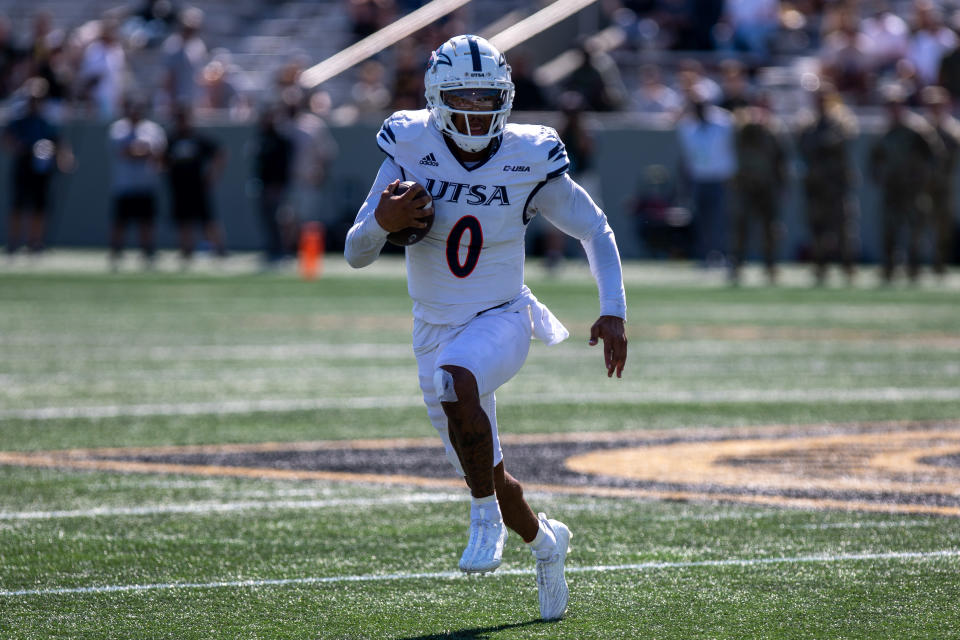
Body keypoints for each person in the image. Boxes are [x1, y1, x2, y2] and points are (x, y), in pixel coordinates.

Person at [344, 35, 627, 621]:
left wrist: (614, 308)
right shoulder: (409, 141)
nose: (475, 108)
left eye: (486, 96)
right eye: (463, 96)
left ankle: (480, 520)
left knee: (457, 383)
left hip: (503, 317)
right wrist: (381, 221)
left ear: (507, 96)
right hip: (433, 328)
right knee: (492, 470)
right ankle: (547, 543)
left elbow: (594, 228)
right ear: (436, 98)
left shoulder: (529, 152)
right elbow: (354, 252)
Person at [869, 84, 944, 283]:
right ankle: (889, 268)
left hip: (913, 189)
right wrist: (878, 176)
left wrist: (924, 178)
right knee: (889, 228)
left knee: (915, 230)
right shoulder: (884, 132)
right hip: (892, 188)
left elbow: (935, 155)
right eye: (889, 105)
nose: (893, 109)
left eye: (896, 104)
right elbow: (874, 159)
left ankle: (914, 268)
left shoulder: (918, 129)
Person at [796, 82, 859, 285]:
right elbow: (803, 143)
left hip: (836, 184)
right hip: (816, 185)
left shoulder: (840, 121)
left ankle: (848, 267)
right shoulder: (808, 124)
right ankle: (820, 267)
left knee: (843, 227)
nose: (820, 103)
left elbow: (840, 139)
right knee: (817, 228)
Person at [3, 78, 72, 255]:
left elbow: (59, 142)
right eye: (33, 98)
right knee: (19, 204)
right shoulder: (20, 119)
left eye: (39, 98)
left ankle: (35, 242)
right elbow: (8, 139)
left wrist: (64, 157)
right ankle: (13, 242)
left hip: (42, 168)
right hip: (24, 165)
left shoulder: (47, 121)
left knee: (40, 206)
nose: (35, 102)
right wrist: (23, 147)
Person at [729, 96, 788, 285]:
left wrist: (782, 186)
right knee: (741, 228)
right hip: (746, 186)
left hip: (767, 188)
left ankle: (770, 267)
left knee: (770, 230)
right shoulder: (743, 130)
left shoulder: (774, 131)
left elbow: (782, 161)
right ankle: (737, 266)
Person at [675, 90, 737, 266]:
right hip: (699, 178)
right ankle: (705, 255)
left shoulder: (724, 122)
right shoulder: (687, 126)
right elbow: (687, 157)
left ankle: (724, 254)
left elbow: (731, 150)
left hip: (721, 178)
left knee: (721, 218)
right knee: (702, 219)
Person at [108, 97, 166, 269]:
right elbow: (124, 152)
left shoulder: (153, 129)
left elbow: (159, 153)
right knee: (120, 221)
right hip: (124, 184)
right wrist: (143, 150)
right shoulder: (118, 129)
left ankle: (147, 251)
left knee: (146, 221)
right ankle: (116, 251)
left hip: (146, 183)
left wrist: (140, 150)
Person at [164, 103, 226, 264]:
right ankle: (186, 250)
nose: (182, 121)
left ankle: (219, 249)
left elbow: (219, 152)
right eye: (179, 118)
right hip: (179, 187)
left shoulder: (198, 138)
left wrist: (212, 175)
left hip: (198, 186)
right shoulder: (171, 138)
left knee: (208, 219)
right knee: (183, 221)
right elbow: (162, 160)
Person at [920, 85, 960, 277]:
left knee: (943, 225)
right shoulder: (921, 129)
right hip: (923, 185)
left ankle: (940, 263)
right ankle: (918, 265)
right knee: (919, 224)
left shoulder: (952, 130)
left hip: (943, 184)